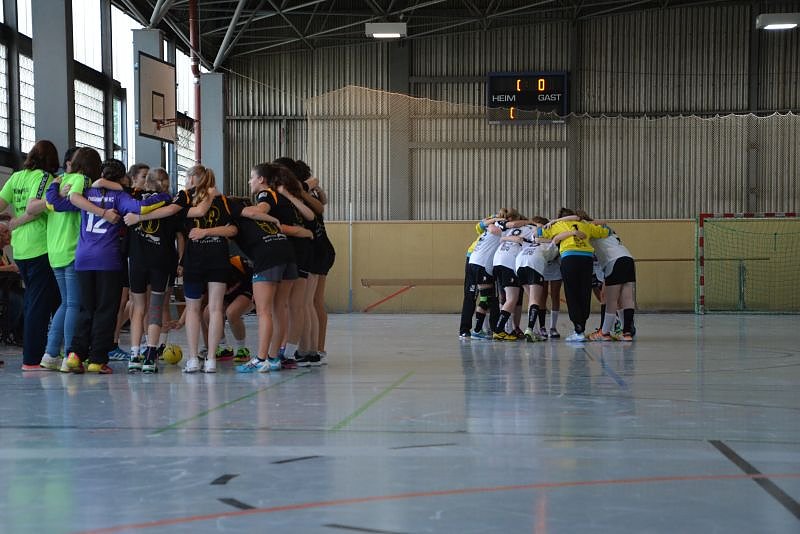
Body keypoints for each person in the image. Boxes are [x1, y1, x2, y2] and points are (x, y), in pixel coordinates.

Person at [126, 165, 235, 374]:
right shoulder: (216, 199)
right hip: (205, 260)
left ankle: (187, 358)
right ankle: (208, 358)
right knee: (212, 308)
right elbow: (232, 227)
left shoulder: (181, 198)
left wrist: (139, 218)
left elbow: (180, 214)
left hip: (183, 261)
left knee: (181, 308)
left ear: (193, 179)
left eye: (186, 177)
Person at [230, 165, 299, 373]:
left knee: (264, 311)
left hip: (268, 257)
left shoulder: (247, 210)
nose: (249, 181)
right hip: (287, 253)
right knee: (280, 308)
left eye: (251, 177)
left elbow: (230, 227)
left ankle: (260, 359)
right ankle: (274, 357)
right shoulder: (259, 214)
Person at [0, 140, 60, 370]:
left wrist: (8, 221)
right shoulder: (44, 177)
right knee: (38, 303)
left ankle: (52, 350)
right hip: (40, 246)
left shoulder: (16, 177)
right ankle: (32, 358)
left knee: (47, 299)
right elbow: (33, 210)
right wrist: (14, 222)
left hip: (21, 249)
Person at [539, 208, 610, 342]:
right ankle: (581, 327)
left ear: (561, 217)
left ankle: (578, 329)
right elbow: (606, 231)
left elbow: (539, 232)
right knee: (585, 292)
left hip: (570, 258)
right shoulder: (585, 225)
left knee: (571, 293)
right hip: (587, 259)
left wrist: (554, 227)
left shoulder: (557, 225)